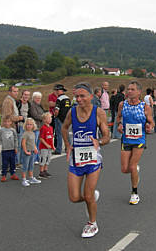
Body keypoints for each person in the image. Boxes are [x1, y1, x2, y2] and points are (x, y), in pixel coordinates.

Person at [62, 82, 110, 238]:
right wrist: (67, 144)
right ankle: (91, 199)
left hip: (93, 159)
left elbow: (106, 136)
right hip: (76, 159)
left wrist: (100, 141)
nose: (79, 99)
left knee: (88, 195)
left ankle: (92, 223)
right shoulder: (72, 112)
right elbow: (64, 128)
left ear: (91, 96)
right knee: (74, 197)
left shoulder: (99, 113)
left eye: (82, 96)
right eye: (76, 96)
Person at [116, 81, 154, 205]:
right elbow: (118, 117)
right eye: (128, 89)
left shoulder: (145, 107)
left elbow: (151, 122)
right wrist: (120, 124)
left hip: (139, 139)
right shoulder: (122, 104)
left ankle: (134, 193)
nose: (129, 91)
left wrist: (149, 126)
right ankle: (135, 170)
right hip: (126, 139)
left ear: (139, 92)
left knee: (132, 166)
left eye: (132, 89)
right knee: (124, 169)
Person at [0, 116, 19, 182]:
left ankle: (12, 174)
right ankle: (4, 175)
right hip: (5, 150)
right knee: (5, 163)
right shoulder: (1, 130)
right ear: (3, 122)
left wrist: (16, 147)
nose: (7, 123)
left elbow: (16, 139)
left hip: (12, 149)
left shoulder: (13, 130)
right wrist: (1, 139)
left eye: (8, 122)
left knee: (12, 163)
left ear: (11, 122)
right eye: (5, 122)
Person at [21, 118, 41, 187]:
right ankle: (24, 179)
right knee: (25, 166)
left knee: (31, 166)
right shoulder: (25, 134)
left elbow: (33, 143)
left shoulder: (33, 133)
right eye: (28, 124)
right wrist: (25, 151)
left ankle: (31, 178)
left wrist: (35, 148)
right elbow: (23, 143)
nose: (29, 126)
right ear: (25, 125)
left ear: (33, 125)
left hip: (32, 152)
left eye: (30, 124)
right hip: (27, 152)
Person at [54, 84, 71, 155]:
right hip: (67, 119)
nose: (56, 92)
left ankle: (58, 149)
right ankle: (68, 148)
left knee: (59, 134)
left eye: (57, 90)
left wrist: (55, 116)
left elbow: (56, 111)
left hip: (60, 118)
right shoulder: (68, 98)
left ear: (61, 91)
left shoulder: (59, 99)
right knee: (66, 134)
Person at [16, 90, 31, 168]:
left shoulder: (28, 103)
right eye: (25, 95)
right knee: (18, 144)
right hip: (19, 125)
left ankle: (21, 161)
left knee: (23, 144)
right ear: (22, 95)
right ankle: (17, 162)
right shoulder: (18, 103)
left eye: (28, 95)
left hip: (26, 126)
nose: (26, 96)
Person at [38, 112, 55, 179]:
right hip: (44, 147)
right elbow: (41, 138)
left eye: (50, 117)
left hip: (49, 148)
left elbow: (51, 138)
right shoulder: (43, 128)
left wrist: (53, 146)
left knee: (48, 159)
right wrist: (46, 144)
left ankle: (45, 170)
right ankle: (41, 172)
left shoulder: (51, 128)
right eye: (48, 118)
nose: (50, 119)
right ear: (44, 120)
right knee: (43, 159)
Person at [29, 92, 45, 163]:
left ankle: (37, 158)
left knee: (38, 144)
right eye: (37, 98)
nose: (38, 99)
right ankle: (34, 159)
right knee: (34, 144)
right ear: (33, 98)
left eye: (39, 98)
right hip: (35, 127)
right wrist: (44, 117)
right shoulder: (32, 105)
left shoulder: (39, 105)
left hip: (40, 126)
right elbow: (34, 115)